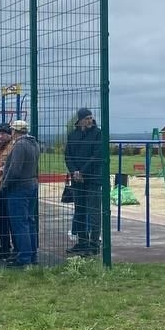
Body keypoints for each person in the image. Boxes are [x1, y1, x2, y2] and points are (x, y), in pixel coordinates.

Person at [1, 119, 41, 267]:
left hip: (19, 188)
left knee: (20, 223)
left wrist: (5, 183)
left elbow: (15, 170)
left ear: (14, 132)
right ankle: (32, 255)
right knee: (29, 221)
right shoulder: (34, 144)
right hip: (31, 184)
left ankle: (24, 258)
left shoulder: (19, 145)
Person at [65, 108, 103, 255]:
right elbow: (68, 156)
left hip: (93, 179)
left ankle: (94, 244)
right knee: (79, 211)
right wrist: (74, 172)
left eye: (91, 118)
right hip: (77, 181)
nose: (90, 120)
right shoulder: (73, 135)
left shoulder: (98, 134)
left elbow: (97, 156)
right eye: (87, 118)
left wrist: (82, 172)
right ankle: (82, 242)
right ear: (80, 120)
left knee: (94, 212)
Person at [0, 123, 16, 260]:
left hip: (7, 187)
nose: (0, 136)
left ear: (9, 134)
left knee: (11, 219)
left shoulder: (12, 147)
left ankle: (15, 247)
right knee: (0, 219)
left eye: (3, 134)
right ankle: (4, 246)